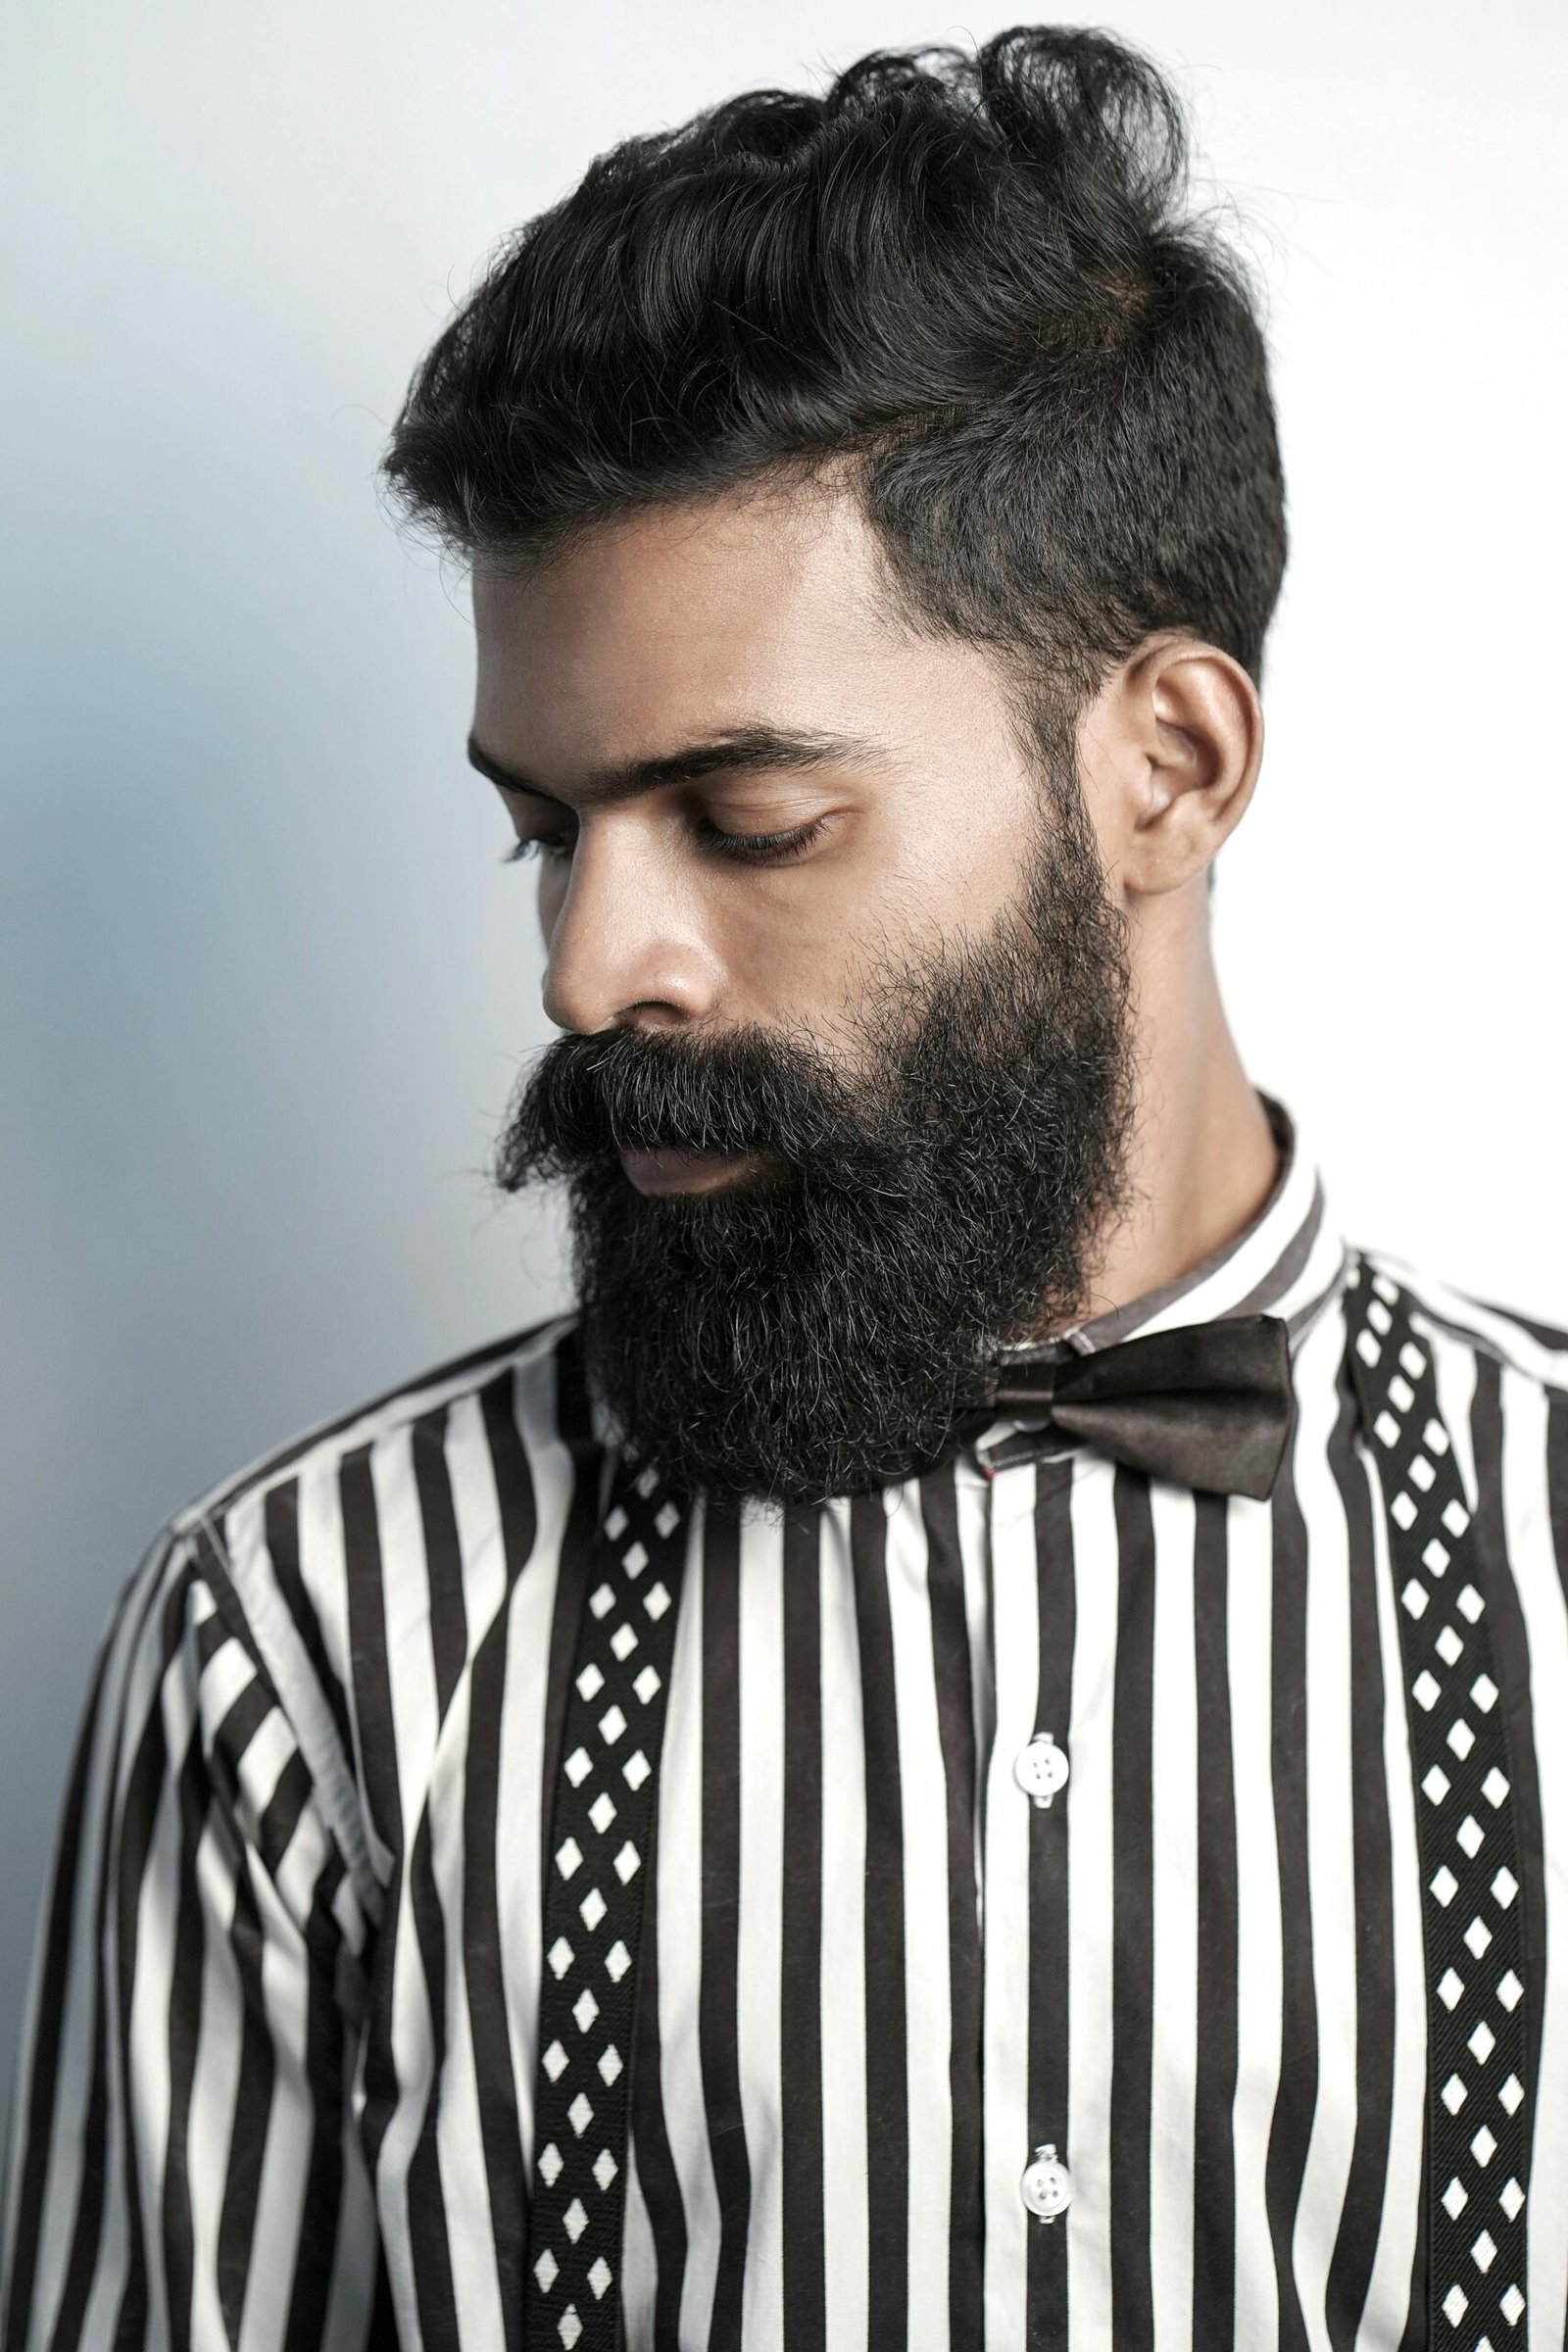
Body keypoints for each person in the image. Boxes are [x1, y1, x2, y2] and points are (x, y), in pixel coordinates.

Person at [4, 24, 1565, 2352]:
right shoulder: (294, 1646)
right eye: (545, 832)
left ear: (1165, 765)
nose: (585, 970)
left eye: (746, 823)